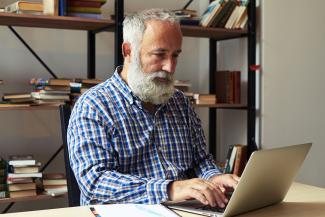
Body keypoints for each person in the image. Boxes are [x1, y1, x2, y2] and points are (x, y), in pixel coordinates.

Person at [67, 8, 239, 207]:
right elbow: (95, 183)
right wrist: (171, 189)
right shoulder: (93, 106)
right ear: (128, 51)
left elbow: (200, 160)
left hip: (184, 210)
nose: (170, 67)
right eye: (159, 54)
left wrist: (213, 177)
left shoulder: (180, 102)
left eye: (175, 56)